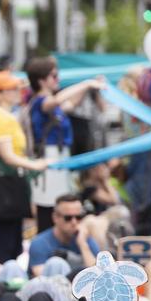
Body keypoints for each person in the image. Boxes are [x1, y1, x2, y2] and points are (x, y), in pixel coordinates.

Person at [24, 57, 105, 232]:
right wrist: (86, 84)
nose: (57, 79)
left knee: (61, 204)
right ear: (41, 80)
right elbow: (56, 101)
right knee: (49, 208)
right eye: (54, 76)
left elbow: (71, 103)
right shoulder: (40, 101)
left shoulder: (52, 105)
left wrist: (91, 86)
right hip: (48, 160)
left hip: (60, 159)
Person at [0, 70, 48, 263]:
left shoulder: (7, 116)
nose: (19, 91)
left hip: (11, 187)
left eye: (18, 88)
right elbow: (8, 156)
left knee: (13, 243)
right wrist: (35, 165)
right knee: (6, 244)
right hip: (4, 188)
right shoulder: (0, 117)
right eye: (12, 88)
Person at [26, 193, 101, 276]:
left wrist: (83, 244)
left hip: (78, 287)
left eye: (78, 217)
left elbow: (98, 275)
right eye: (68, 218)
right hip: (52, 287)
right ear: (55, 218)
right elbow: (41, 277)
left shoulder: (85, 239)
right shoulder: (40, 243)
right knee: (56, 263)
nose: (74, 222)